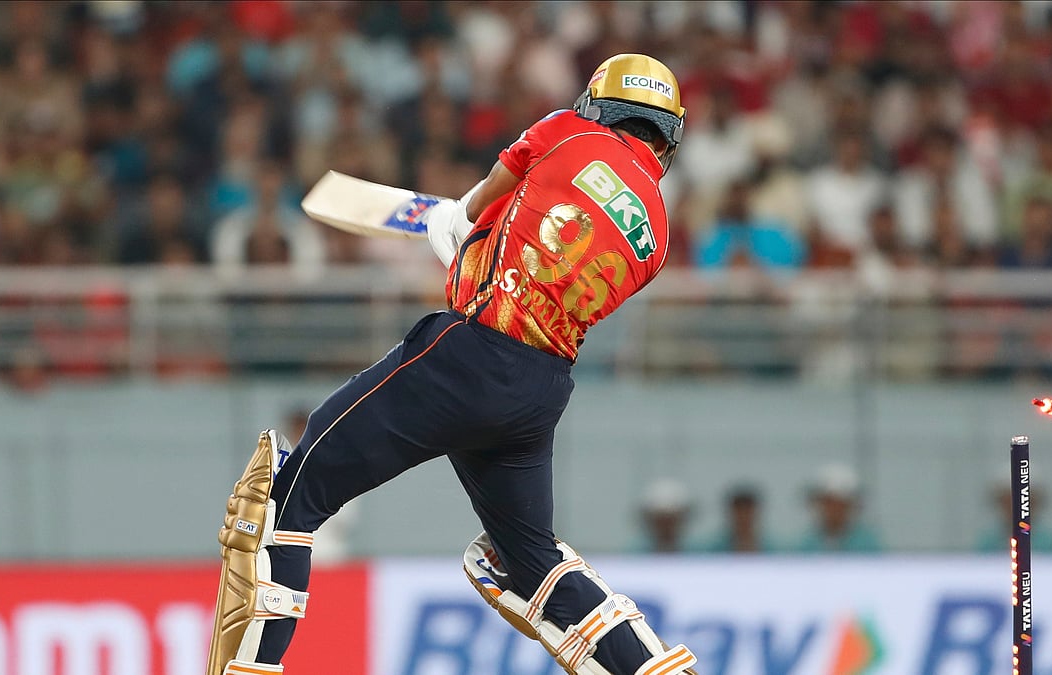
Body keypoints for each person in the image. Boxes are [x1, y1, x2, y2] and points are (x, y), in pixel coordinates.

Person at [208, 54, 697, 675]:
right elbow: (547, 265)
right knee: (524, 563)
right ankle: (651, 668)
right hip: (537, 393)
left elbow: (494, 192)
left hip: (467, 358)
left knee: (283, 497)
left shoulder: (572, 131)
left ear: (597, 105)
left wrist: (458, 220)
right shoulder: (656, 235)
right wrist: (476, 248)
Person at [792, 462, 884, 554]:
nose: (834, 510)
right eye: (828, 502)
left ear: (851, 506)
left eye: (840, 503)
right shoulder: (806, 545)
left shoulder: (868, 546)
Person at [699, 483, 787, 553]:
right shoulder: (711, 551)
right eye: (739, 513)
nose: (743, 518)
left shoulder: (775, 551)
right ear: (730, 514)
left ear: (756, 514)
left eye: (748, 513)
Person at [630, 477, 693, 554]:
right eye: (660, 521)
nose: (666, 527)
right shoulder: (631, 558)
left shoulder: (701, 558)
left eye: (671, 521)